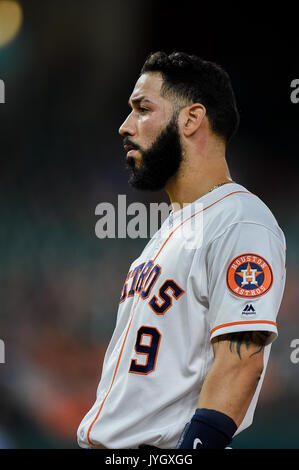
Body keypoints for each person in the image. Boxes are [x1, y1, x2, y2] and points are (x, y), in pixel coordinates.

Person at [77, 51, 286, 449]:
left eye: (142, 108)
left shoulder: (241, 219)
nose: (125, 126)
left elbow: (241, 362)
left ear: (191, 119)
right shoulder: (173, 229)